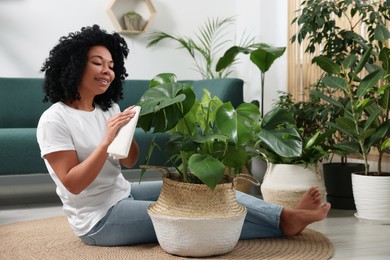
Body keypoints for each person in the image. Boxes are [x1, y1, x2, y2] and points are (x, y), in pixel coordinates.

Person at [37, 24, 331, 247]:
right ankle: (284, 224)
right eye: (97, 63)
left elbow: (128, 163)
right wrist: (105, 141)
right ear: (74, 65)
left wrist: (124, 133)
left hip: (122, 194)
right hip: (98, 220)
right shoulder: (55, 120)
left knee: (203, 191)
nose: (107, 71)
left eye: (112, 66)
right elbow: (73, 185)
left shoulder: (107, 107)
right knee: (188, 216)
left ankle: (281, 214)